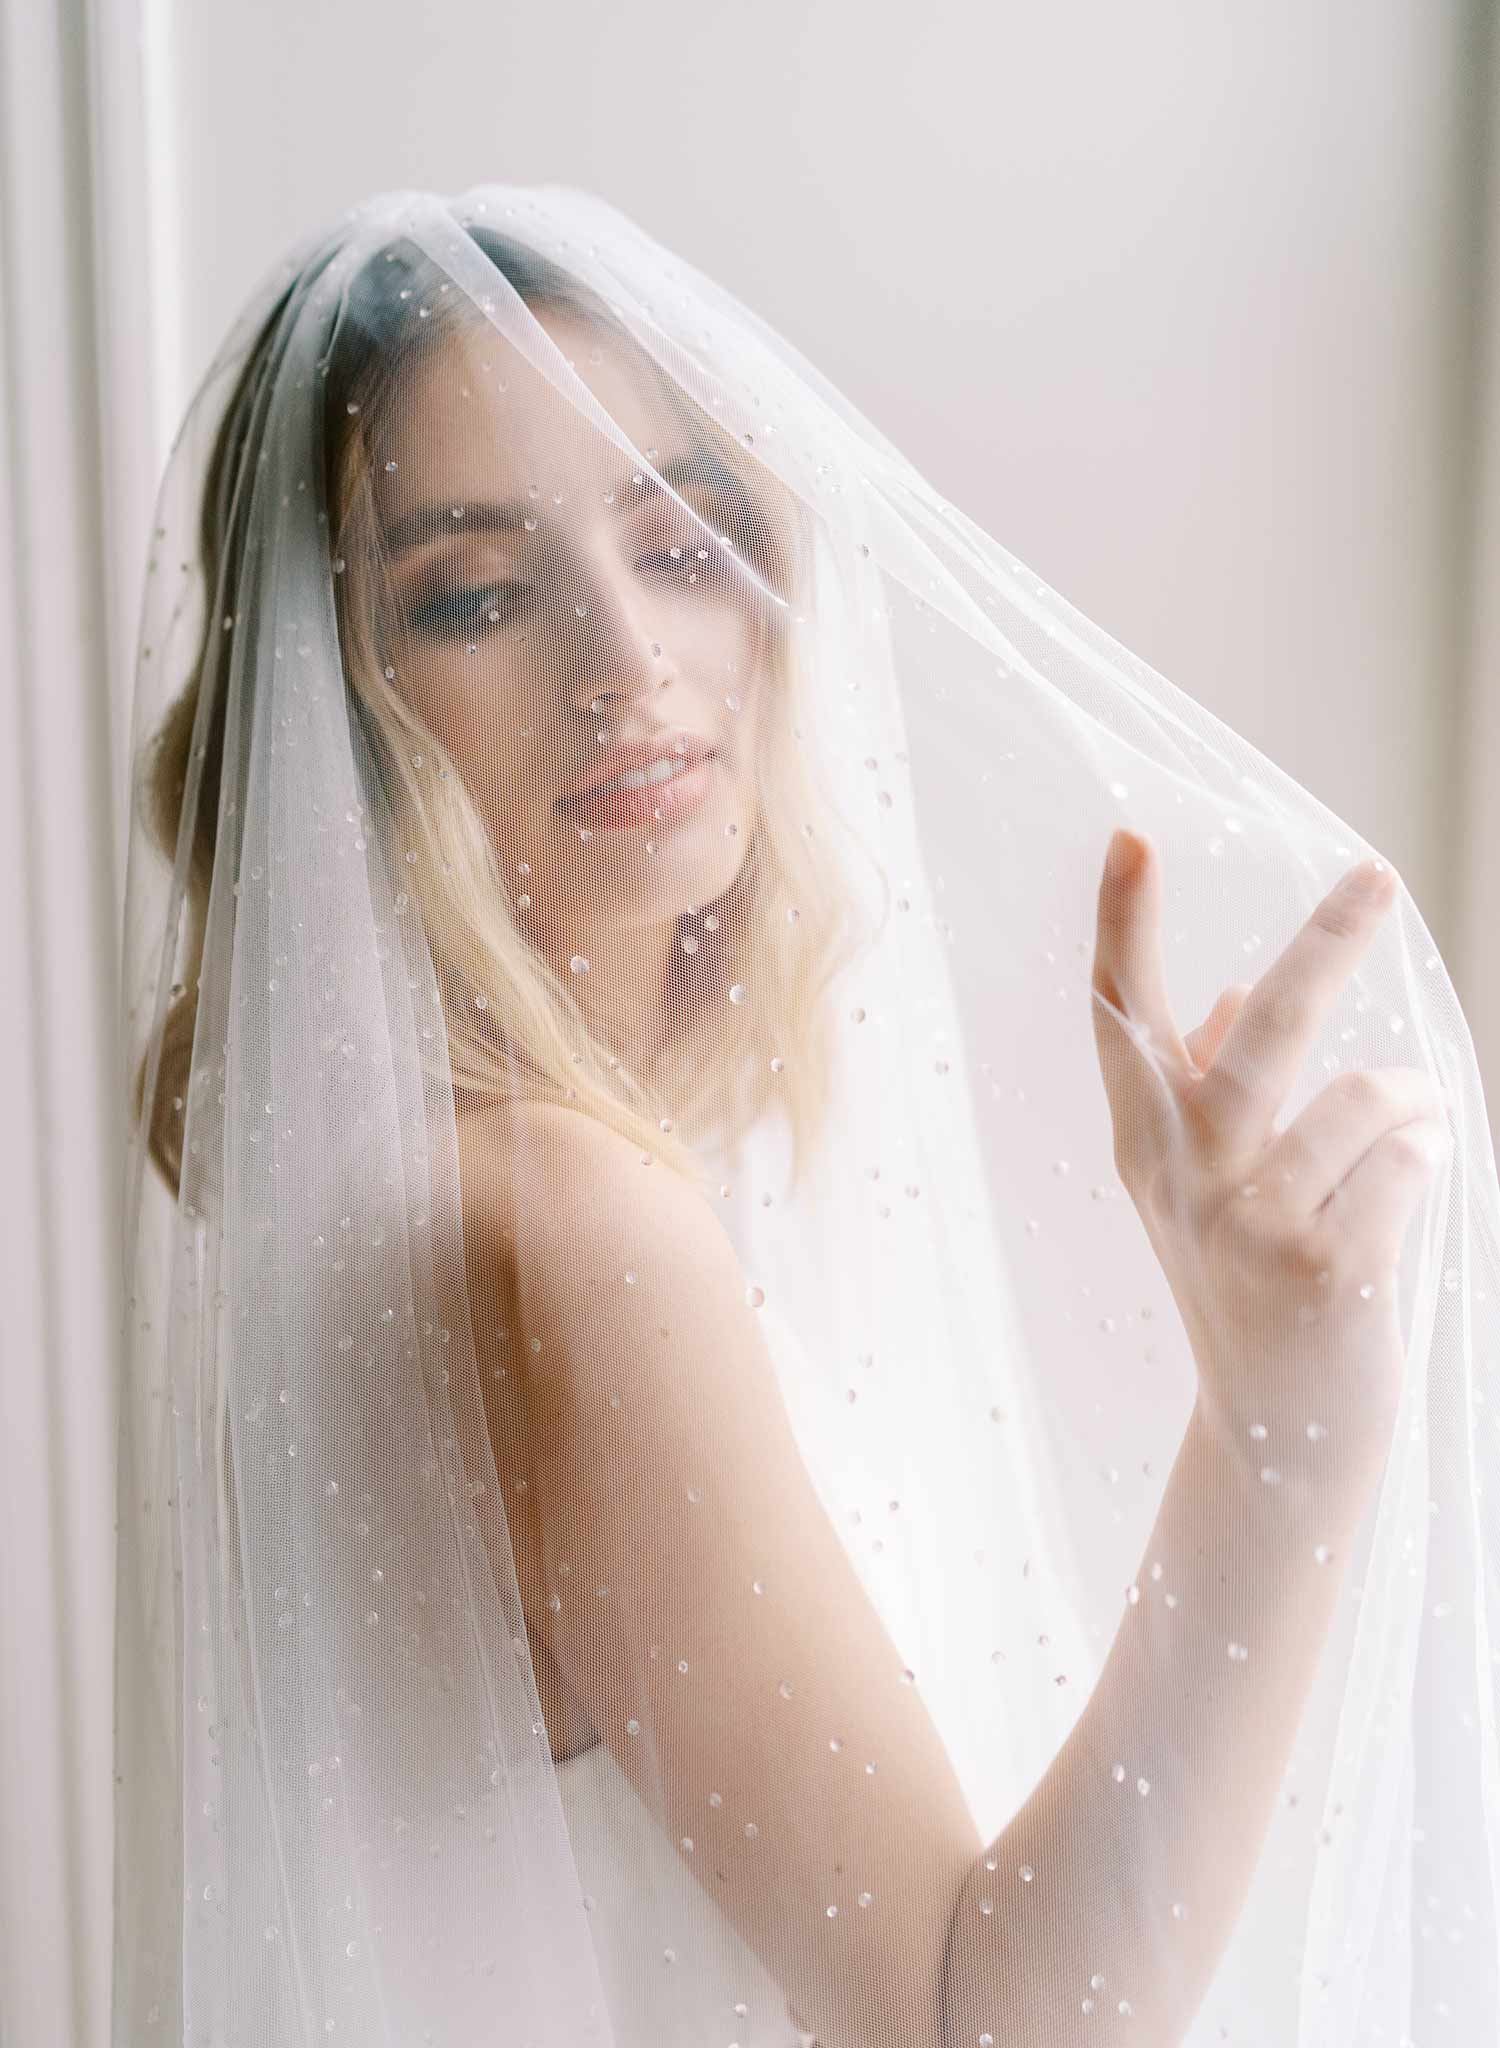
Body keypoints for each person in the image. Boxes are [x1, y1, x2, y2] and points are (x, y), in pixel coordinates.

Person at [113, 189, 1496, 2048]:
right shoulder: (565, 1230)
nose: (626, 657)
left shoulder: (431, 1191)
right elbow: (973, 2025)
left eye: (681, 540)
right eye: (476, 592)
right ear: (343, 713)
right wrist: (1286, 1433)